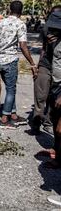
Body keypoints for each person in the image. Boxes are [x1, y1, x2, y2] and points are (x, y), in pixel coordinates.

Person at [0, 0, 37, 129]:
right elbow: (23, 46)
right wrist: (32, 63)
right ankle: (5, 119)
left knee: (10, 89)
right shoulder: (20, 24)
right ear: (21, 12)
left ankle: (14, 116)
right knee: (11, 89)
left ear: (10, 9)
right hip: (10, 61)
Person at [30, 6, 61, 135]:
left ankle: (49, 122)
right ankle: (36, 121)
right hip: (46, 64)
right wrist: (37, 66)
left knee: (54, 97)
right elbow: (43, 48)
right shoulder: (46, 29)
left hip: (58, 68)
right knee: (40, 94)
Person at [43, 9, 61, 169]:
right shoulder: (54, 42)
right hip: (56, 86)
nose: (50, 32)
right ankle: (57, 151)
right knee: (55, 122)